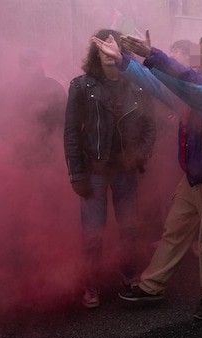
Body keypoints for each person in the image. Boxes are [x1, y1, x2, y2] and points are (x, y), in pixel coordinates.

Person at [92, 30, 202, 320]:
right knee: (174, 231)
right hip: (194, 176)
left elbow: (196, 87)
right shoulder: (192, 86)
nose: (197, 56)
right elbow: (158, 85)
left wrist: (154, 55)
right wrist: (124, 62)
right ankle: (152, 285)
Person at [64, 29, 157, 309]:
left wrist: (140, 156)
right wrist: (77, 174)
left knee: (129, 229)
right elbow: (71, 133)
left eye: (112, 48)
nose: (107, 54)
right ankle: (90, 284)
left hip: (125, 171)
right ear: (95, 52)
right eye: (102, 49)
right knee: (93, 232)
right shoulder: (81, 86)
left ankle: (130, 275)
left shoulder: (138, 86)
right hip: (94, 171)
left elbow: (150, 127)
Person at [0, 48, 66, 165]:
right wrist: (18, 141)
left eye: (33, 62)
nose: (30, 66)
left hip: (50, 156)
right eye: (27, 62)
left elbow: (65, 122)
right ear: (20, 65)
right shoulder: (7, 91)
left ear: (40, 63)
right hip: (21, 157)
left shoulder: (54, 87)